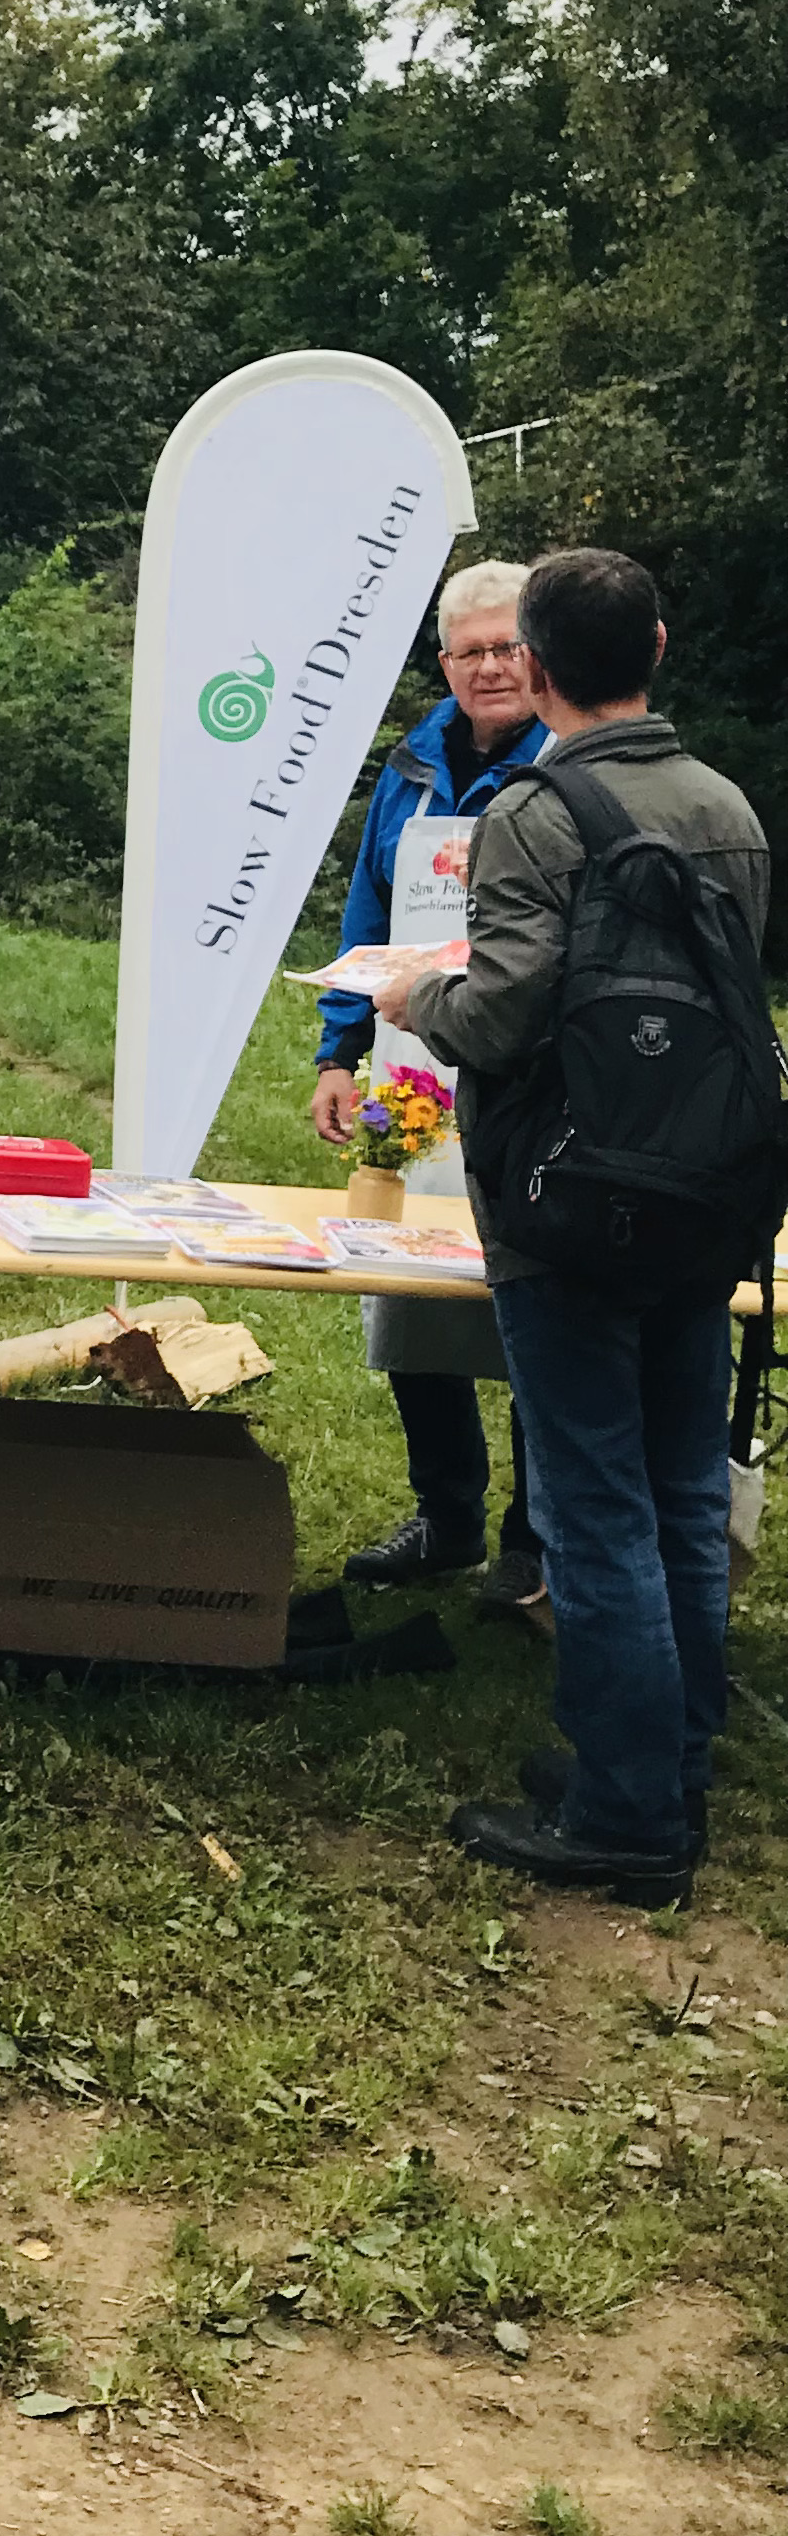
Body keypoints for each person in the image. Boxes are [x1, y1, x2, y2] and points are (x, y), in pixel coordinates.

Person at [354, 548, 771, 1905]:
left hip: (566, 1202)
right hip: (707, 1197)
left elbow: (508, 1011)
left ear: (531, 669)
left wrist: (419, 998)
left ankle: (628, 1816)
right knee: (682, 1490)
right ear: (658, 642)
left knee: (594, 1505)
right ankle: (666, 1757)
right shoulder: (726, 805)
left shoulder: (536, 810)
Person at [309, 562, 550, 1613]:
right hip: (413, 1072)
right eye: (470, 651)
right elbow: (369, 913)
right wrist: (337, 1050)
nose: (490, 667)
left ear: (540, 652)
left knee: (539, 1302)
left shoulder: (570, 763)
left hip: (536, 1078)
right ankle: (446, 1515)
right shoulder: (411, 767)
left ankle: (535, 1543)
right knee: (410, 1286)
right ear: (443, 663)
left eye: (508, 646)